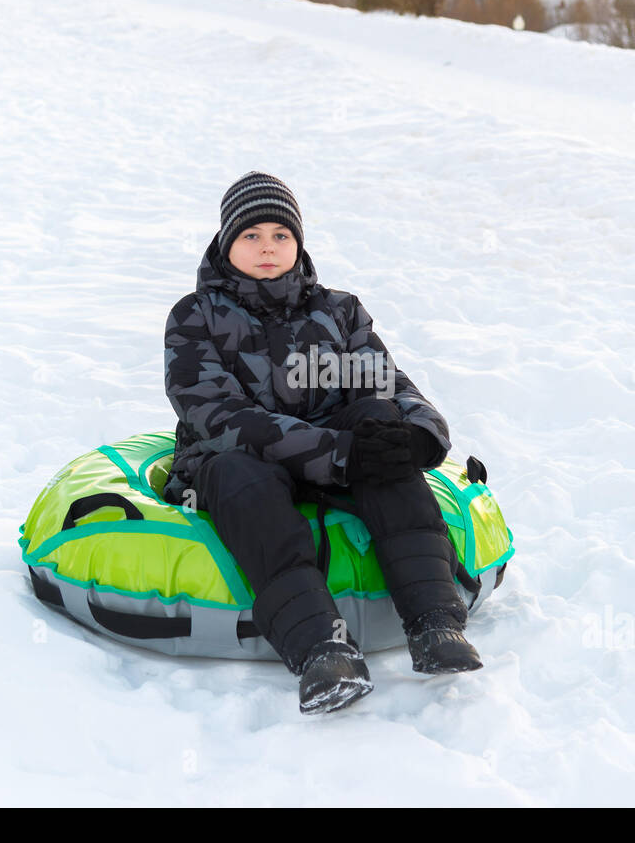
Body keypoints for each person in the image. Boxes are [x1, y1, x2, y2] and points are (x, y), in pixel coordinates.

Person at [162, 171, 481, 715]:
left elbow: (389, 382)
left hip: (337, 456)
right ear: (226, 243)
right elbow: (221, 415)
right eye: (252, 235)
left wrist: (421, 436)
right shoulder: (195, 316)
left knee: (381, 421)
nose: (268, 247)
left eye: (280, 235)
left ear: (299, 242)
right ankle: (321, 650)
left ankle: (434, 623)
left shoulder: (338, 309)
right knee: (239, 469)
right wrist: (339, 452)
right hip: (241, 463)